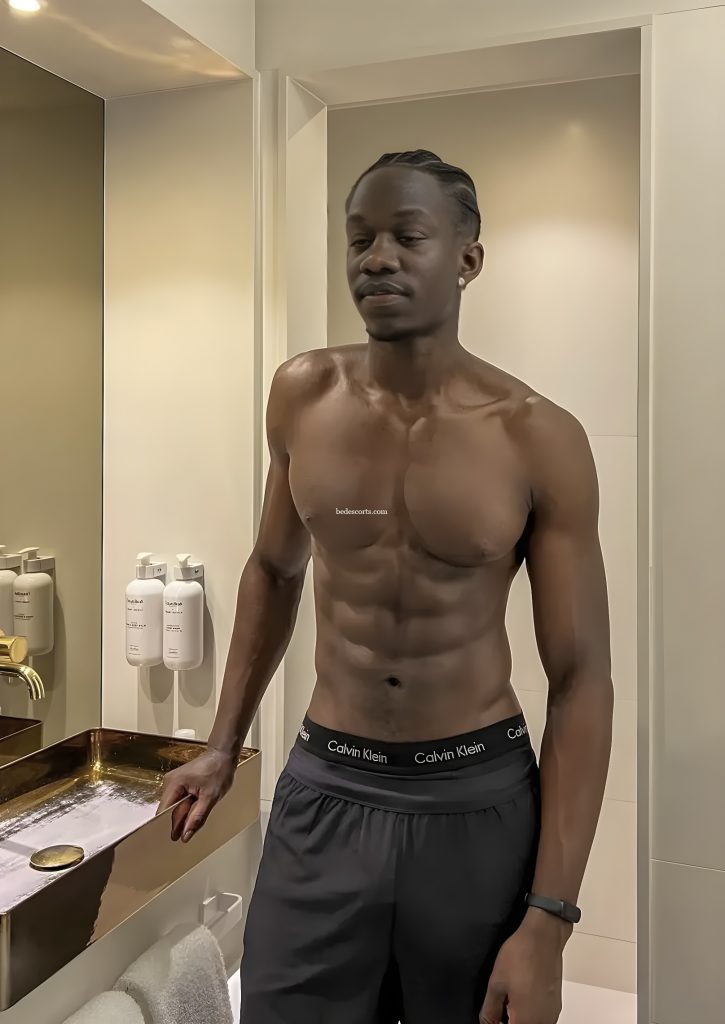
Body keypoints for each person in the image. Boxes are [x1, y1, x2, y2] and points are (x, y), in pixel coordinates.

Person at [156, 149, 614, 1024]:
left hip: (474, 801)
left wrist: (549, 921)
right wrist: (221, 745)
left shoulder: (537, 436)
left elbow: (581, 678)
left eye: (407, 237)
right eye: (359, 238)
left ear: (467, 259)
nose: (376, 259)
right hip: (326, 786)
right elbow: (273, 569)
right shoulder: (302, 394)